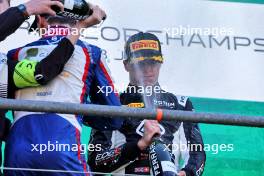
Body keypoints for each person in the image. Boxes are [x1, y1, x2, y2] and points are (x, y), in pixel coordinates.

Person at [4, 4, 122, 176]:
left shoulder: (14, 54)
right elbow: (114, 117)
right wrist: (77, 110)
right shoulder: (92, 52)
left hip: (18, 150)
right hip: (62, 146)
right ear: (77, 20)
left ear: (40, 20)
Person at [87, 32, 206, 176]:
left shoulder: (181, 104)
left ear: (161, 63)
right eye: (141, 64)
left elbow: (196, 153)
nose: (148, 70)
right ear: (126, 65)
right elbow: (95, 162)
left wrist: (185, 173)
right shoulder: (112, 104)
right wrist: (139, 145)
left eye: (153, 63)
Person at [0, 0, 86, 171]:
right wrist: (26, 9)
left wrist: (77, 30)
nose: (5, 8)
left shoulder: (4, 64)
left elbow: (42, 72)